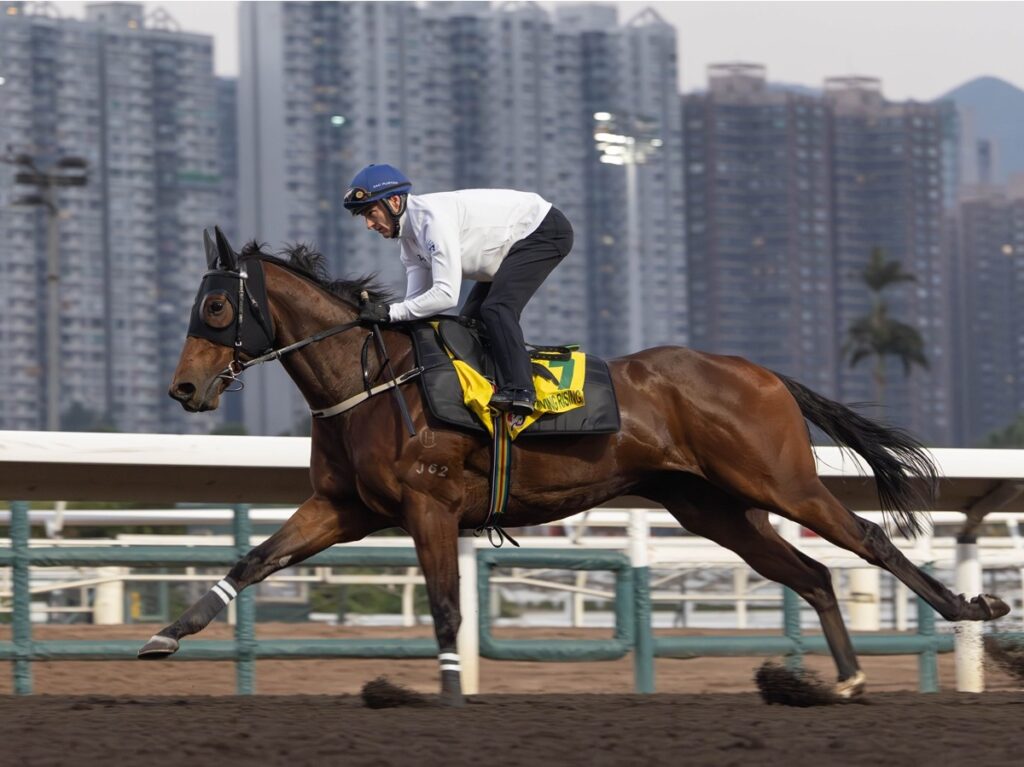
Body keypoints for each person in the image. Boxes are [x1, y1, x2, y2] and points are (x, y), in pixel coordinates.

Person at [344, 163, 574, 416]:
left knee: (496, 309)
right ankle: (492, 384)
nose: (368, 224)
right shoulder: (409, 243)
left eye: (370, 212)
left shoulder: (432, 222)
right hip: (507, 245)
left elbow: (445, 295)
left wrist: (389, 312)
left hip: (543, 230)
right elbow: (416, 304)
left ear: (395, 202)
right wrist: (389, 318)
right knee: (469, 323)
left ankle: (521, 390)